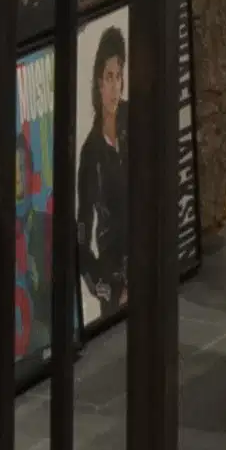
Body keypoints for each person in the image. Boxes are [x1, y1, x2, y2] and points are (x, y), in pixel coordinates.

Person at [72, 27, 134, 323]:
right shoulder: (91, 153)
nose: (115, 86)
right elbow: (81, 239)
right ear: (98, 82)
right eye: (109, 77)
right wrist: (106, 288)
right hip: (116, 274)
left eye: (119, 76)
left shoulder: (135, 119)